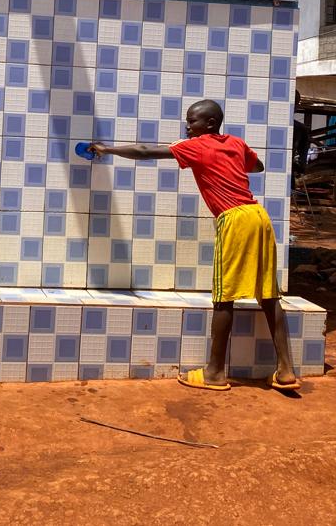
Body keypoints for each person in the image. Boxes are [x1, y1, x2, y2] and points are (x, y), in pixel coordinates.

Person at [90, 99, 299, 393]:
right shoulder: (236, 143)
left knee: (223, 296)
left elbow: (146, 151)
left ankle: (214, 372)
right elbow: (259, 166)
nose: (188, 126)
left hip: (235, 220)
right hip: (259, 217)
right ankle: (286, 370)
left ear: (210, 123)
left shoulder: (197, 145)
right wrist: (228, 162)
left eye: (192, 121)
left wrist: (107, 148)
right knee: (268, 294)